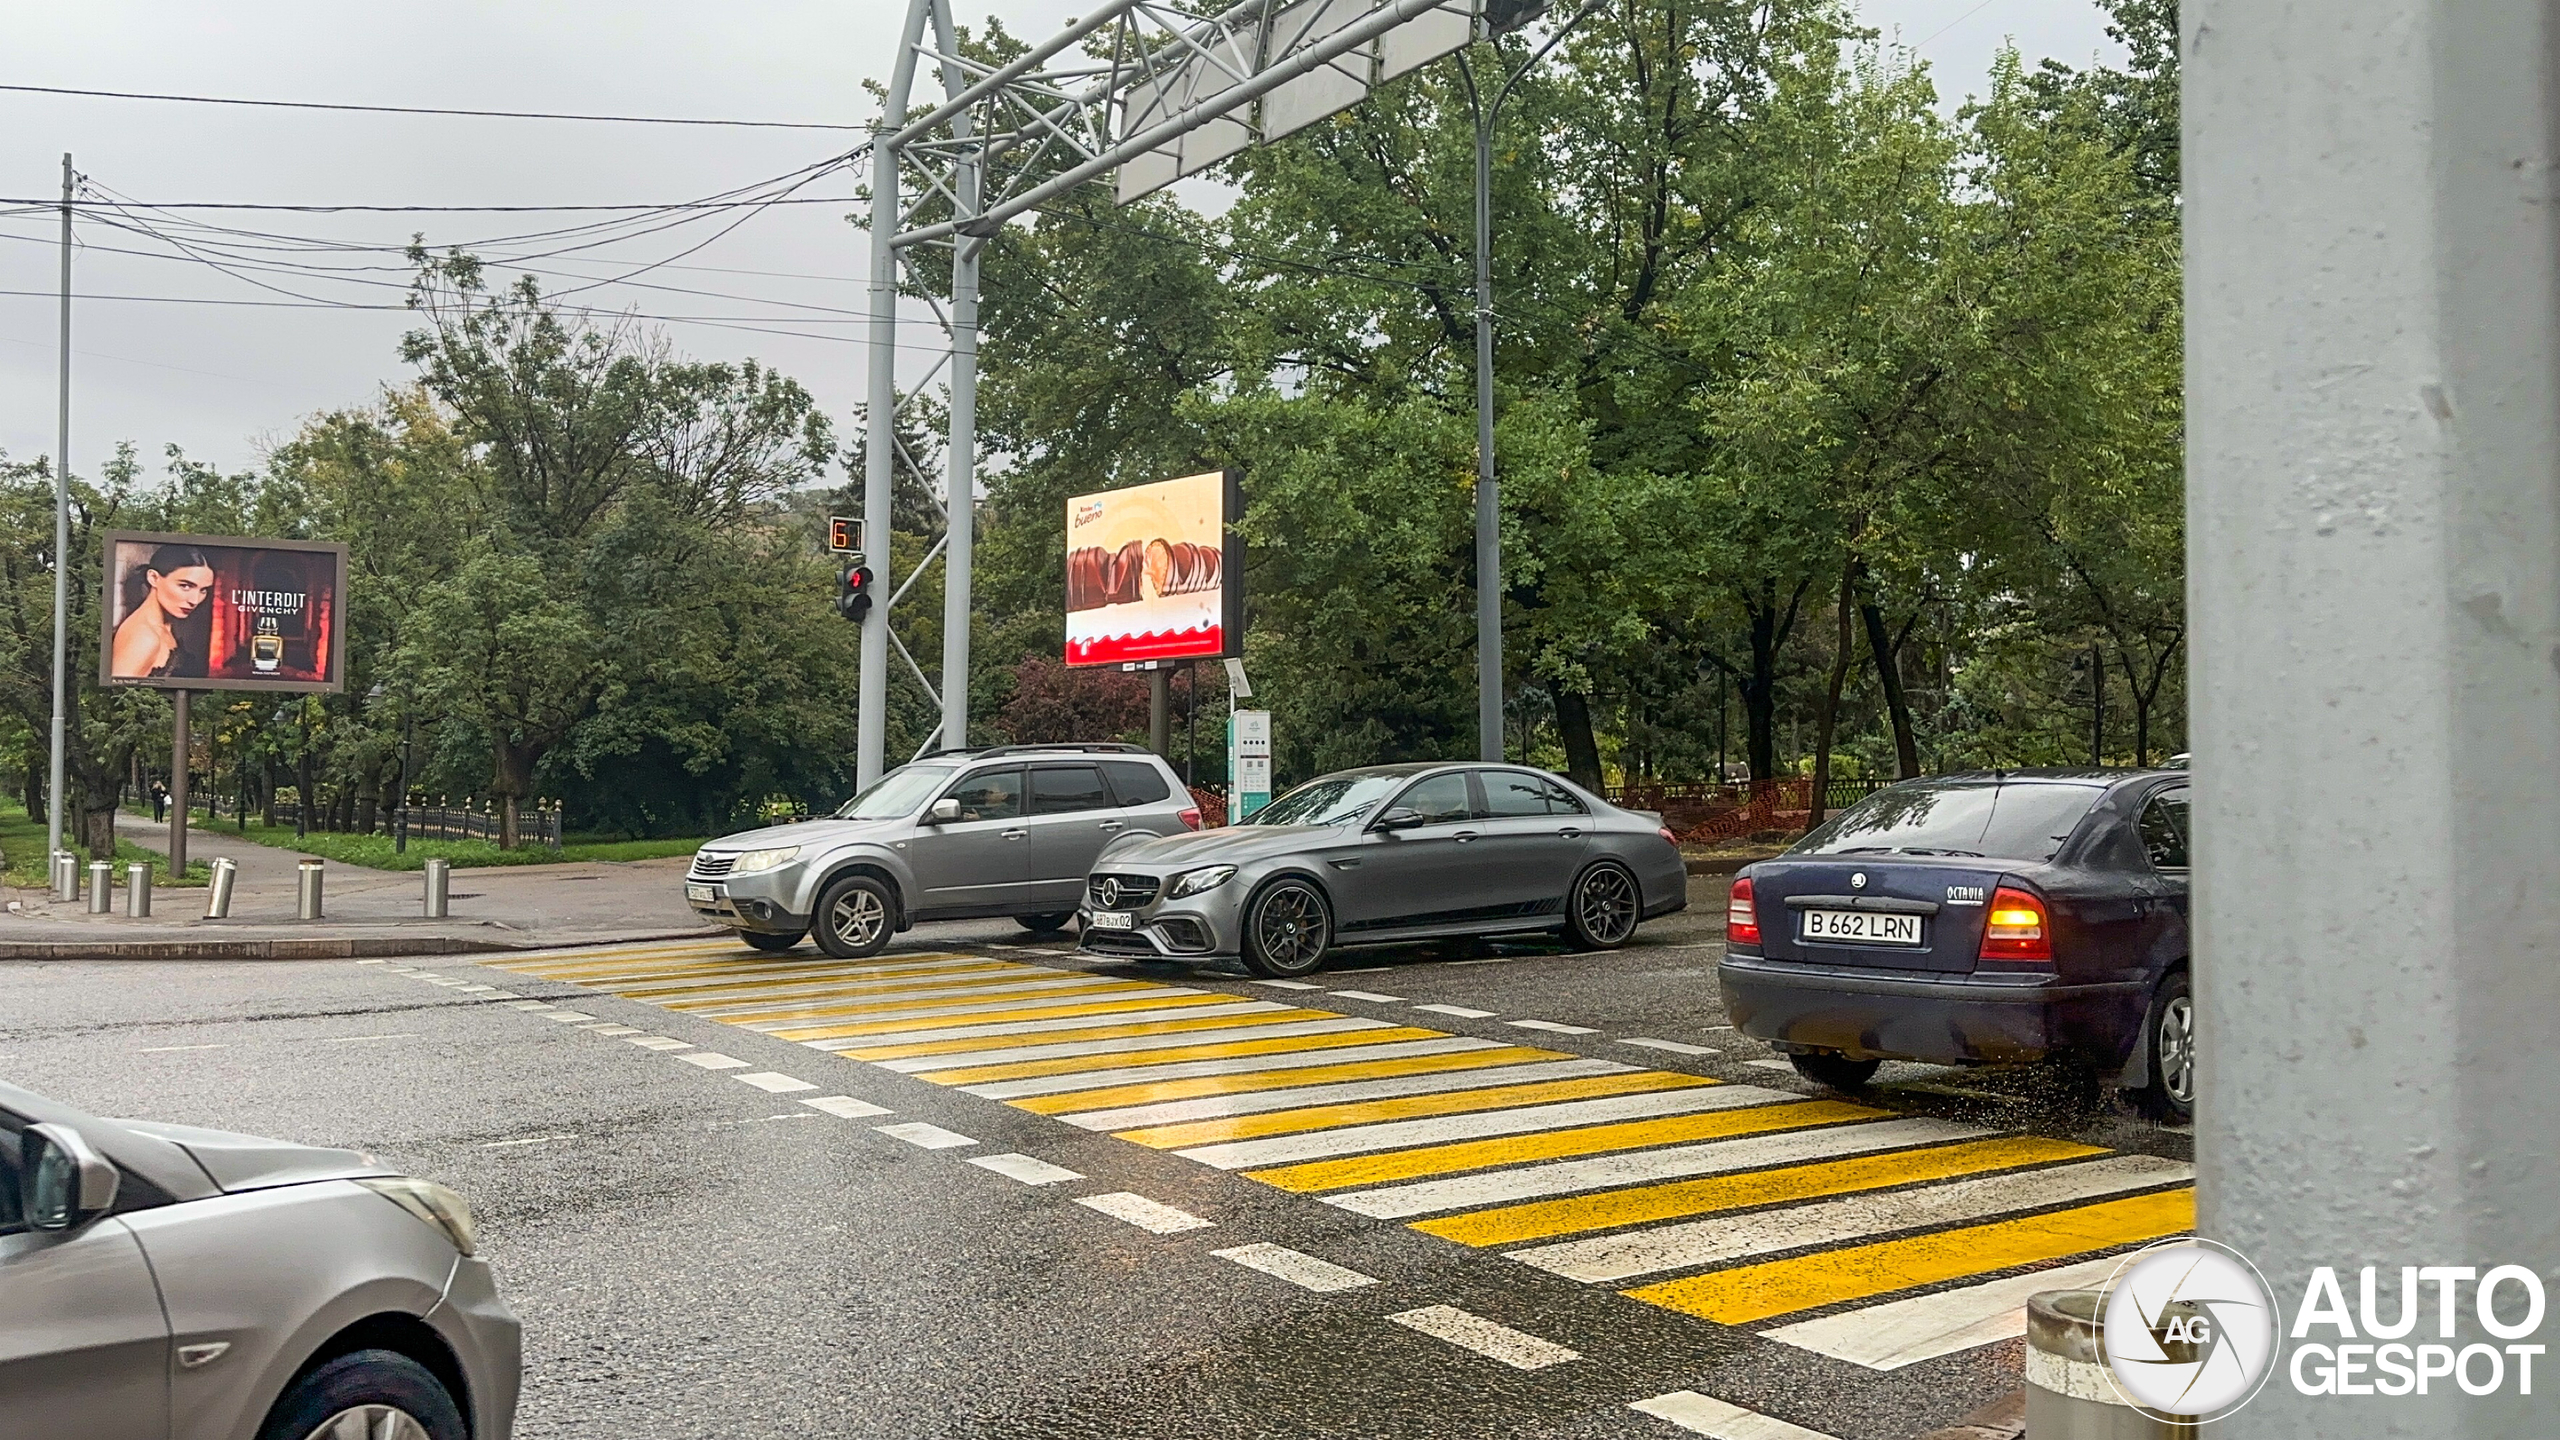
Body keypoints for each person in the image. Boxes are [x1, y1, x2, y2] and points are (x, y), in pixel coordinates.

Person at [109, 544, 215, 680]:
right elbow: (119, 691)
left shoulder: (164, 623)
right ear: (153, 578)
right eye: (185, 586)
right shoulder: (144, 638)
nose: (195, 600)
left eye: (203, 590)